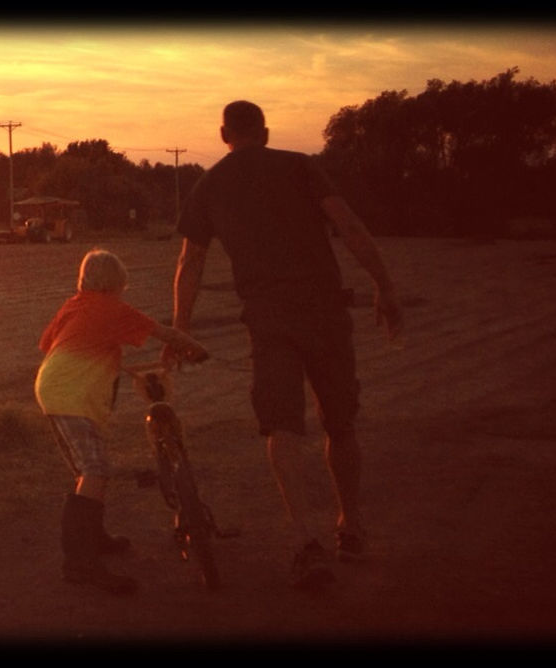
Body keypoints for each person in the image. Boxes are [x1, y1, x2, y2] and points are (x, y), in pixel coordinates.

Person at [165, 100, 403, 589]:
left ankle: (304, 540)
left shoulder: (209, 184)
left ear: (224, 134)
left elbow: (190, 263)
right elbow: (350, 226)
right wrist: (384, 285)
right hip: (325, 314)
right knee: (340, 423)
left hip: (270, 322)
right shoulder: (299, 167)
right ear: (266, 132)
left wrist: (180, 329)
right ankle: (351, 524)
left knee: (281, 427)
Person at [36, 248, 209, 595]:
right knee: (96, 469)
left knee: (87, 472)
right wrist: (198, 350)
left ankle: (94, 540)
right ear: (117, 282)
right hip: (71, 395)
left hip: (54, 386)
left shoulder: (74, 305)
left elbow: (47, 345)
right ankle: (80, 563)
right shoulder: (113, 308)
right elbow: (166, 334)